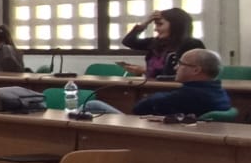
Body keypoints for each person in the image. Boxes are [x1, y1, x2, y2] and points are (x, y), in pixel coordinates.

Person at [82, 48, 232, 118]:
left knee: (93, 105)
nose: (175, 67)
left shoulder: (189, 95)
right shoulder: (217, 90)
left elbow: (140, 108)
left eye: (180, 64)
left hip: (154, 136)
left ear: (196, 70)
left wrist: (154, 98)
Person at [121, 8, 205, 79]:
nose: (156, 29)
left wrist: (145, 70)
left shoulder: (192, 45)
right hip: (152, 87)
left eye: (160, 24)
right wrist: (145, 23)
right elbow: (128, 41)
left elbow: (182, 73)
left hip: (177, 89)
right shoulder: (155, 43)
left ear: (175, 25)